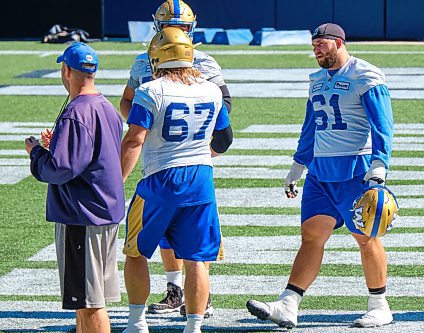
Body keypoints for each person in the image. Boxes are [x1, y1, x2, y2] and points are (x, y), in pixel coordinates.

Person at [246, 23, 395, 328]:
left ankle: (380, 305)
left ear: (340, 43)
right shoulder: (316, 80)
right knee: (311, 237)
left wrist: (379, 164)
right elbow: (310, 126)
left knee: (366, 238)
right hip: (319, 172)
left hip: (354, 170)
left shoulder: (365, 75)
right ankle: (288, 304)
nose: (316, 49)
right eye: (314, 45)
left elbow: (383, 124)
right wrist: (298, 166)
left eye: (322, 44)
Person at [119, 0, 231, 317]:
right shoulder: (143, 63)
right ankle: (176, 290)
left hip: (181, 160)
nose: (178, 33)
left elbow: (225, 119)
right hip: (163, 157)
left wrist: (187, 146)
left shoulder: (205, 63)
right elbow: (128, 102)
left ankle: (191, 303)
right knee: (171, 233)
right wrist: (149, 127)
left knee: (174, 241)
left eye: (184, 27)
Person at [24, 42, 125, 333]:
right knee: (87, 301)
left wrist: (36, 152)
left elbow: (61, 169)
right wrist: (57, 145)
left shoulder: (76, 112)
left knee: (89, 303)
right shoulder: (106, 106)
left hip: (82, 215)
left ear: (66, 70)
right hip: (103, 211)